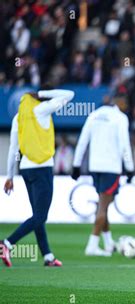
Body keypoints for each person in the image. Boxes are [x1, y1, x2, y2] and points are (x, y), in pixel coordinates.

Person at [1, 87, 75, 267]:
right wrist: (43, 94)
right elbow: (69, 95)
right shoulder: (41, 109)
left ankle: (48, 256)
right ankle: (7, 243)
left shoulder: (18, 118)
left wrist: (10, 176)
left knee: (37, 215)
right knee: (41, 216)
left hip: (25, 169)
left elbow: (13, 149)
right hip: (42, 168)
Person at [71, 100, 134, 256]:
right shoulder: (120, 118)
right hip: (111, 167)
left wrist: (76, 164)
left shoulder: (94, 115)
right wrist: (130, 167)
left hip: (95, 167)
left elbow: (83, 140)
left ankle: (108, 242)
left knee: (103, 203)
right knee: (103, 206)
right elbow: (125, 144)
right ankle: (92, 245)